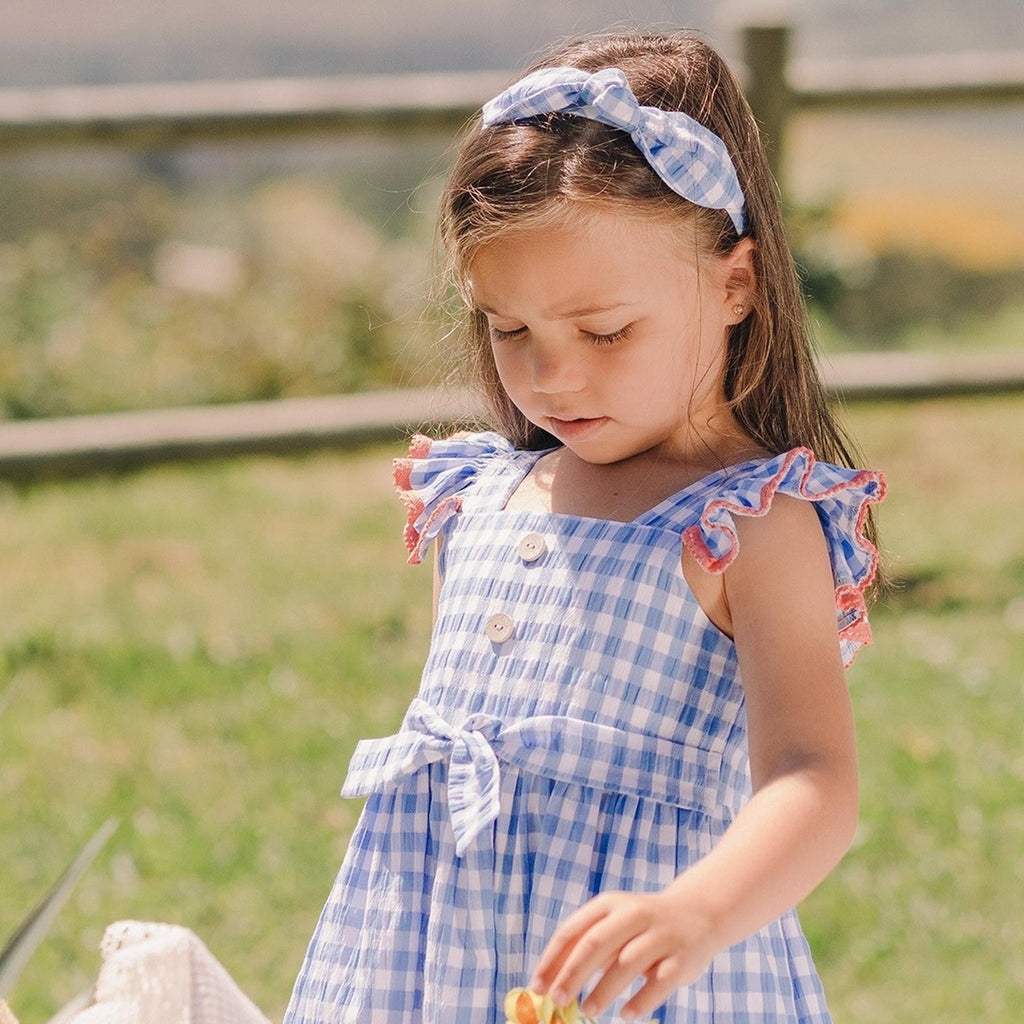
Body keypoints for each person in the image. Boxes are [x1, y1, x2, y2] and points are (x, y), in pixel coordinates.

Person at [284, 31, 886, 1024]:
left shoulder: (748, 520)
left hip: (640, 984)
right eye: (508, 329)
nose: (551, 375)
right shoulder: (479, 496)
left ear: (734, 284)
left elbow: (812, 778)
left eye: (604, 332)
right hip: (430, 961)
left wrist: (696, 910)